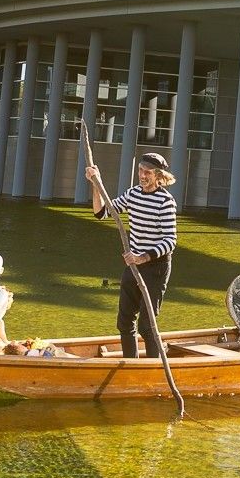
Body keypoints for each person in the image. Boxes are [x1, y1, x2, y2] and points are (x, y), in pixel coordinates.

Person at [85, 152, 177, 359]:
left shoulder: (166, 201)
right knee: (124, 321)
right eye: (140, 171)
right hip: (134, 266)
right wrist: (95, 183)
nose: (142, 176)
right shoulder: (133, 194)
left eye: (148, 172)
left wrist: (142, 257)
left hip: (156, 267)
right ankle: (131, 364)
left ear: (159, 176)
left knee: (147, 326)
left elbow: (170, 241)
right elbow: (102, 213)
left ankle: (154, 368)